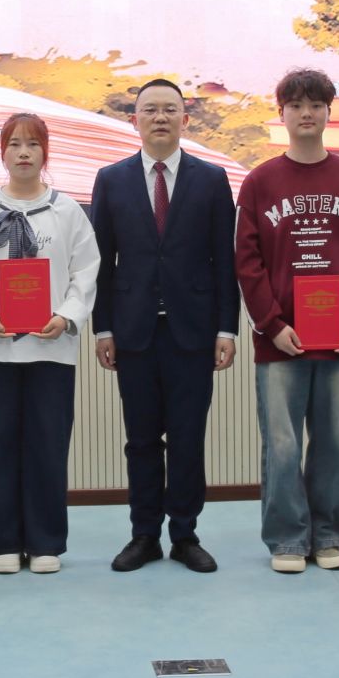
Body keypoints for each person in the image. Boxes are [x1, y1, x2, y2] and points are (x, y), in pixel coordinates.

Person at [233, 69, 339, 573]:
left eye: (315, 105)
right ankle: (287, 539)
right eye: (296, 105)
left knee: (334, 440)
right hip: (280, 340)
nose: (306, 113)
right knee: (282, 444)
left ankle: (329, 536)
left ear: (328, 112)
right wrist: (271, 324)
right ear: (281, 113)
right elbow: (246, 262)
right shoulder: (259, 183)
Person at [88, 78, 239, 574]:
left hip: (192, 332)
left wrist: (227, 329)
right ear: (134, 120)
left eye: (169, 110)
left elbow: (225, 261)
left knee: (188, 437)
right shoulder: (111, 179)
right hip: (133, 332)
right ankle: (144, 534)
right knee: (141, 440)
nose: (159, 117)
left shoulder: (211, 179)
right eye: (149, 110)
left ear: (185, 119)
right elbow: (101, 263)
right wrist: (103, 328)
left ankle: (185, 535)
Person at [0, 113, 100, 574]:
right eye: (14, 143)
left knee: (47, 443)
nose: (23, 152)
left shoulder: (68, 211)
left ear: (45, 152)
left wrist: (66, 316)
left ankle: (44, 542)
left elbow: (85, 272)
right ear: (2, 152)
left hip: (51, 349)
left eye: (33, 144)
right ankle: (2, 541)